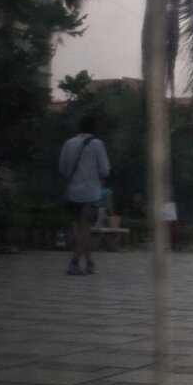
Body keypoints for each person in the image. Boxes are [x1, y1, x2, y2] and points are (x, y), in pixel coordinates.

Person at [59, 116, 110, 275]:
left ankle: (89, 262)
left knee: (77, 229)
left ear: (79, 127)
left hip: (72, 193)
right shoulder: (97, 144)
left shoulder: (68, 143)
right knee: (86, 229)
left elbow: (62, 168)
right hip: (90, 193)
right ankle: (74, 262)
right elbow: (105, 170)